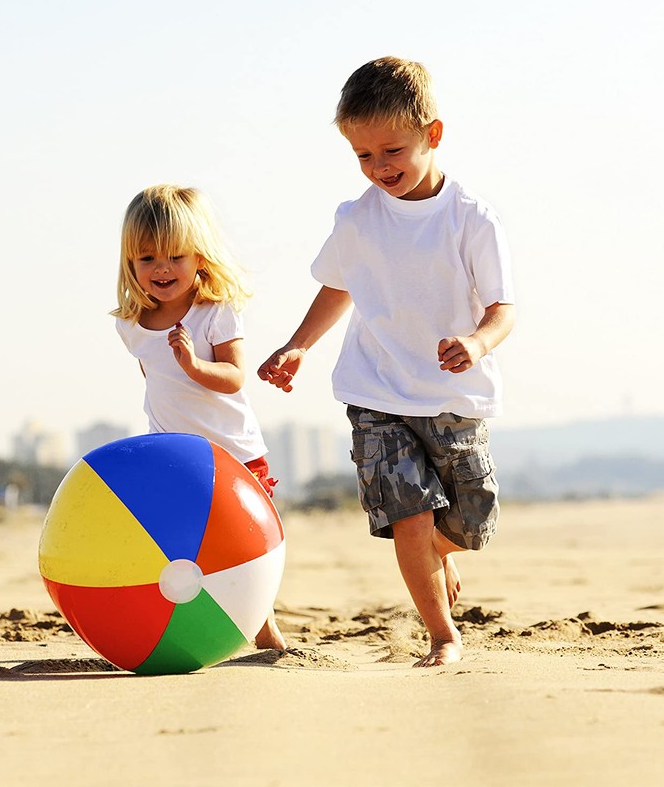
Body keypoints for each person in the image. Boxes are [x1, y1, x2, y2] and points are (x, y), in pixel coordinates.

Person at [258, 57, 515, 667]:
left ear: (433, 133)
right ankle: (442, 634)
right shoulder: (358, 219)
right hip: (376, 392)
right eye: (363, 157)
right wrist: (298, 344)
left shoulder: (471, 220)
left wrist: (476, 343)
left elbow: (504, 309)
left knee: (474, 519)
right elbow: (338, 286)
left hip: (454, 395)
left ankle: (438, 551)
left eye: (392, 150)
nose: (380, 169)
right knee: (408, 516)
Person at [113, 184, 285, 650]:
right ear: (130, 264)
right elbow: (156, 386)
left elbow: (233, 376)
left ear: (199, 258)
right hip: (176, 457)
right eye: (147, 259)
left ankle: (263, 625)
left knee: (247, 544)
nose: (161, 269)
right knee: (184, 547)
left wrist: (193, 365)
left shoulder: (213, 311)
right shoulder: (130, 325)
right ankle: (186, 624)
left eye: (175, 256)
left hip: (235, 452)